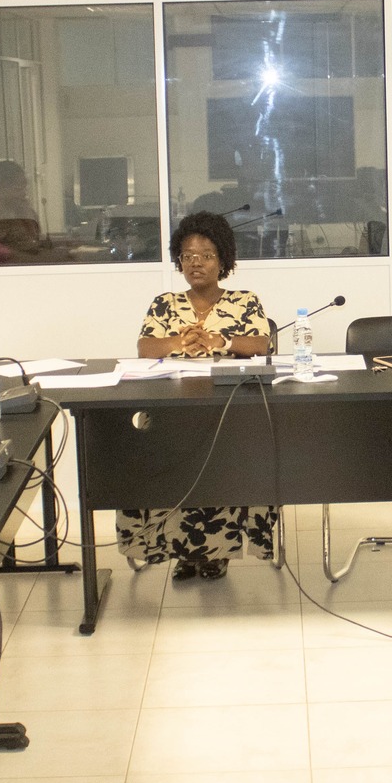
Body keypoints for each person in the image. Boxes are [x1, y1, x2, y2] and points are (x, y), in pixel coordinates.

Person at [122, 210, 276, 580]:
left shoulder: (244, 300)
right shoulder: (165, 303)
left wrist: (220, 340)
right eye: (188, 255)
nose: (196, 263)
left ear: (222, 259)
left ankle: (214, 553)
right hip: (173, 408)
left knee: (228, 454)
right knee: (158, 453)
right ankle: (179, 549)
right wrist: (180, 340)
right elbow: (145, 347)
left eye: (206, 255)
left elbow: (261, 341)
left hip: (229, 407)